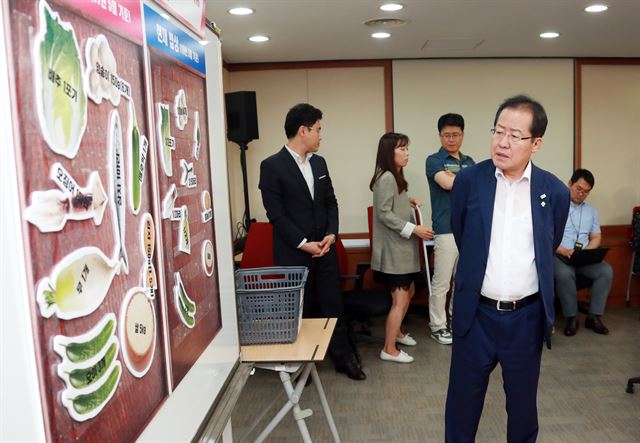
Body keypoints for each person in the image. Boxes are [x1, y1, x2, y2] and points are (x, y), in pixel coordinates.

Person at [445, 95, 570, 443]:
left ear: (536, 143)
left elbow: (548, 246)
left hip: (525, 321)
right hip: (476, 316)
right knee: (461, 409)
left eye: (515, 135)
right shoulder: (469, 181)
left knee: (522, 413)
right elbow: (462, 233)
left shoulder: (555, 192)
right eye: (498, 131)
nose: (502, 142)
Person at [259, 103, 366, 381]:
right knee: (300, 312)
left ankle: (343, 358)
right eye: (318, 129)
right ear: (303, 130)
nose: (321, 135)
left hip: (325, 250)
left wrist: (332, 234)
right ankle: (300, 368)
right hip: (295, 254)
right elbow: (276, 215)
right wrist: (303, 242)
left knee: (334, 307)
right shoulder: (271, 166)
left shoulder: (320, 163)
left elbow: (331, 202)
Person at [370, 132, 435, 363]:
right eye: (402, 149)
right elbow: (383, 213)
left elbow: (391, 203)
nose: (407, 153)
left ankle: (396, 333)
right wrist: (414, 229)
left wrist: (409, 201)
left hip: (402, 250)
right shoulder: (386, 177)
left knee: (409, 292)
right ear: (390, 152)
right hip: (394, 251)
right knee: (400, 298)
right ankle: (389, 349)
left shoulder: (395, 176)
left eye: (407, 148)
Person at [425, 113, 475, 345]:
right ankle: (437, 325)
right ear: (440, 136)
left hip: (468, 230)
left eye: (455, 135)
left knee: (462, 280)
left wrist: (456, 177)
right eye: (446, 135)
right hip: (445, 229)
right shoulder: (433, 160)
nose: (451, 139)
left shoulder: (469, 161)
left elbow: (476, 188)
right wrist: (461, 179)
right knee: (442, 282)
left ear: (462, 135)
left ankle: (457, 320)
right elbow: (446, 183)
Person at [555, 169, 613, 336]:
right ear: (569, 184)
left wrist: (586, 253)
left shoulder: (591, 211)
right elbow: (547, 236)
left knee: (605, 271)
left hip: (583, 257)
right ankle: (571, 317)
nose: (581, 194)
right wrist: (563, 250)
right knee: (564, 274)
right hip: (560, 254)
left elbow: (596, 237)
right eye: (578, 188)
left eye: (586, 192)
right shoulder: (556, 206)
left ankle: (593, 316)